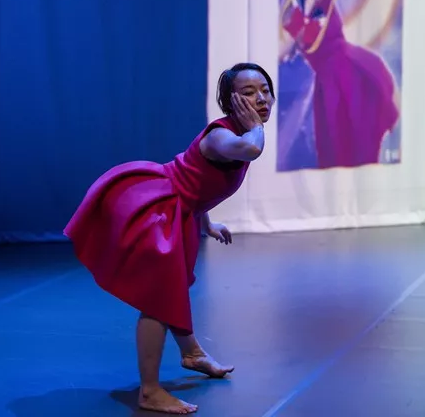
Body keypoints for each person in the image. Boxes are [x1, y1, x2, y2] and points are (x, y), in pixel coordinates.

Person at [64, 63, 275, 415]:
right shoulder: (223, 136)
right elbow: (249, 150)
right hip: (158, 209)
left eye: (265, 90)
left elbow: (198, 178)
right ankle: (149, 391)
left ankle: (192, 353)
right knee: (158, 300)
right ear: (231, 101)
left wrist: (207, 222)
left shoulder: (239, 133)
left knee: (173, 289)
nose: (261, 99)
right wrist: (256, 126)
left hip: (184, 212)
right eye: (249, 93)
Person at [278, 0, 399, 169]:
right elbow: (283, 49)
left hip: (354, 69)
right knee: (341, 147)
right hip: (331, 84)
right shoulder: (294, 11)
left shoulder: (326, 5)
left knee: (368, 130)